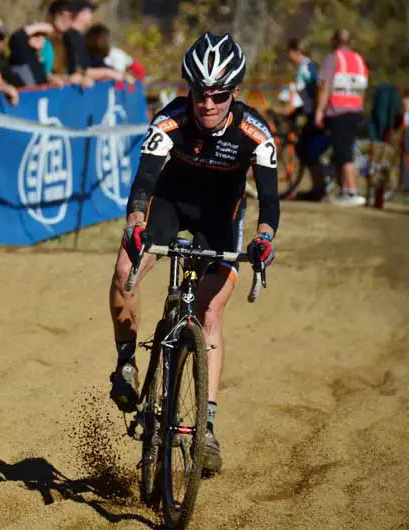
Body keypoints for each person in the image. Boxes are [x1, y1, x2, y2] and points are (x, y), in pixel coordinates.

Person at [108, 33, 280, 475]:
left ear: (234, 93)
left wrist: (264, 238)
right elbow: (144, 183)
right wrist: (135, 226)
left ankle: (205, 426)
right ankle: (126, 364)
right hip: (169, 205)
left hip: (220, 218)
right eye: (198, 92)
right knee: (125, 268)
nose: (206, 103)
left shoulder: (254, 132)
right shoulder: (168, 121)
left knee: (211, 314)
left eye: (218, 94)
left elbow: (269, 200)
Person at [314, 29, 369, 206]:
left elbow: (325, 86)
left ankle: (351, 191)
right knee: (344, 150)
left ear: (334, 41)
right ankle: (344, 189)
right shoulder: (358, 59)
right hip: (356, 110)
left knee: (343, 153)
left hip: (339, 111)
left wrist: (319, 111)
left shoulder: (334, 58)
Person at [285, 38, 325, 201]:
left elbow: (316, 89)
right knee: (305, 151)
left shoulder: (307, 68)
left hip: (311, 114)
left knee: (310, 151)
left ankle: (318, 188)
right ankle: (316, 188)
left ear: (296, 52)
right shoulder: (304, 67)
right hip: (307, 113)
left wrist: (314, 111)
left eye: (290, 52)